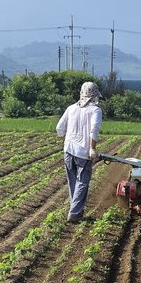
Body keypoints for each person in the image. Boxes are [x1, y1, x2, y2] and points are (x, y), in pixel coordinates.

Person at [56, 81, 102, 223]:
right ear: (94, 96)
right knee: (82, 182)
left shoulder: (71, 108)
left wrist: (70, 137)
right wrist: (92, 148)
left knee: (73, 182)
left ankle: (75, 210)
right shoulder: (95, 110)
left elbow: (59, 129)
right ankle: (75, 213)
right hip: (83, 153)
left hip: (68, 151)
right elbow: (94, 131)